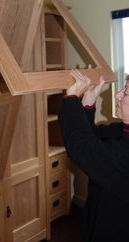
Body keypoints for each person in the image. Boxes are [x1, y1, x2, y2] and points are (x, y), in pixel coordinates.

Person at [58, 69, 129, 242]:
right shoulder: (122, 131)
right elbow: (93, 137)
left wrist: (71, 98)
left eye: (126, 92)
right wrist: (87, 104)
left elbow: (82, 148)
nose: (117, 95)